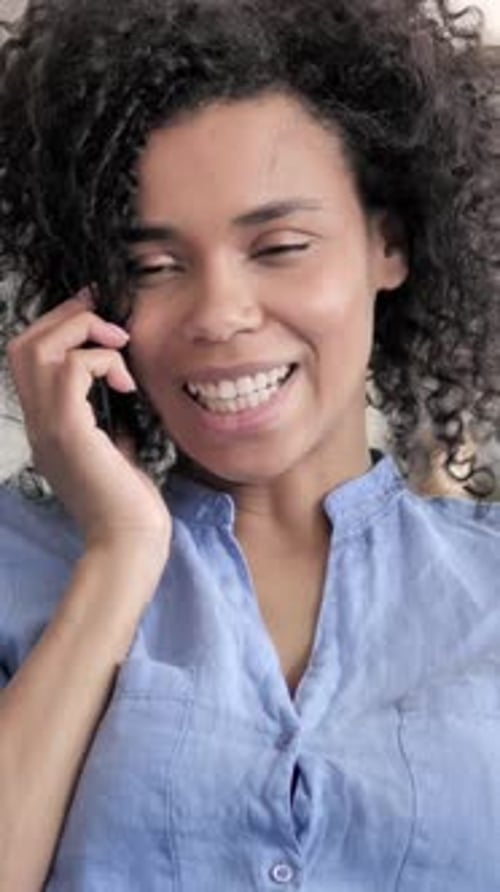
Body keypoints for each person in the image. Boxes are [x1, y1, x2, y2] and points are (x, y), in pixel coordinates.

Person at [0, 0, 499, 889]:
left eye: (280, 245)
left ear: (388, 244)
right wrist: (120, 555)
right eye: (153, 266)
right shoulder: (17, 565)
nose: (220, 315)